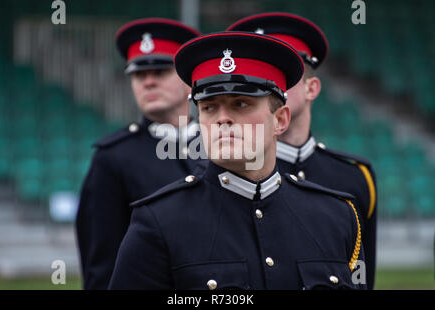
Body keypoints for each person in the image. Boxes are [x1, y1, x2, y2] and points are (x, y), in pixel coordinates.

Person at [109, 31, 365, 290]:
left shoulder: (336, 217)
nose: (222, 118)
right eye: (209, 107)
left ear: (280, 120)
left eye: (241, 104)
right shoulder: (158, 222)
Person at [227, 13, 377, 289]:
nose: (268, 83)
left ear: (312, 88)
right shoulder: (226, 176)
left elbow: (362, 280)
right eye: (256, 75)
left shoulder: (355, 176)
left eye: (283, 71)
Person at [75, 18, 203, 289]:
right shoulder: (112, 158)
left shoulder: (223, 146)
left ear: (189, 82)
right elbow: (102, 266)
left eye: (160, 71)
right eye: (139, 74)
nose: (148, 82)